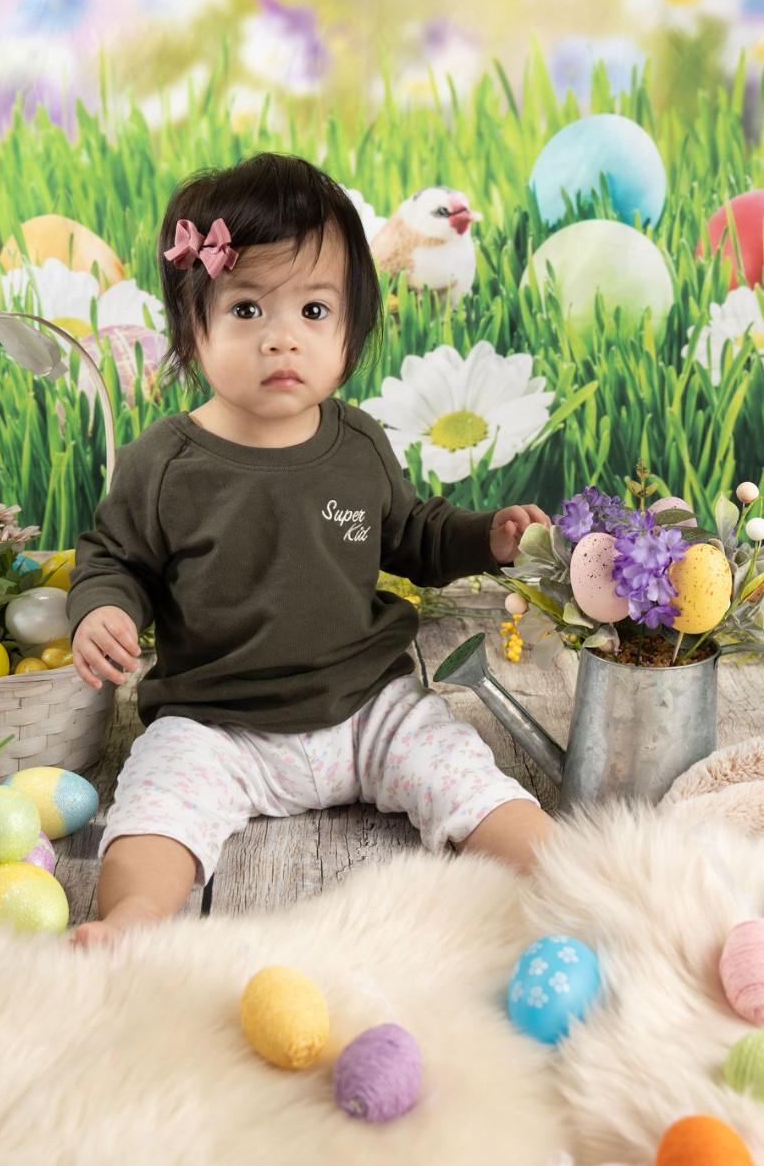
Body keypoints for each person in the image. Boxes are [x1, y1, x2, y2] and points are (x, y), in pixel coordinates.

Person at [67, 152, 555, 950]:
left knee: (461, 770)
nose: (282, 339)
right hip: (218, 723)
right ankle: (129, 922)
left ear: (350, 330)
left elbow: (413, 535)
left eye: (314, 310)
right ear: (193, 328)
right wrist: (102, 610)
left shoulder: (357, 443)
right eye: (247, 309)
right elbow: (112, 557)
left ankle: (564, 878)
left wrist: (485, 536)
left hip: (365, 707)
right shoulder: (165, 462)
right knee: (155, 804)